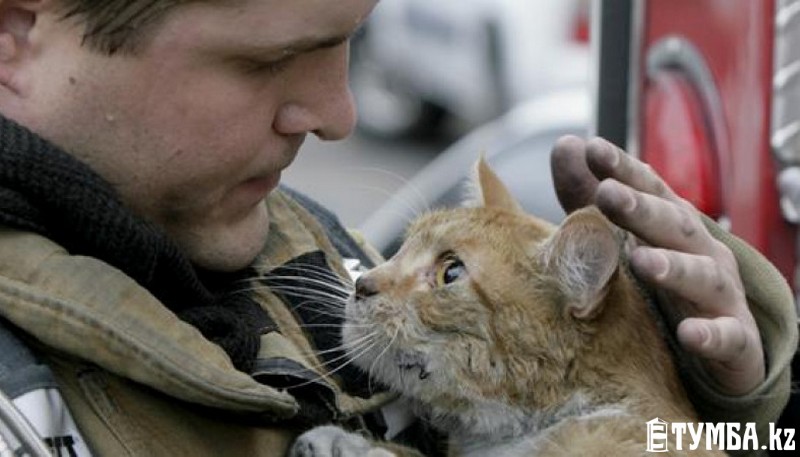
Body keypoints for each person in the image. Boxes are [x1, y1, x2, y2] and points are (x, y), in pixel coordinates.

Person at [0, 0, 794, 456]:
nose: (341, 115)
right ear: (14, 35)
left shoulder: (284, 228)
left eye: (349, 40)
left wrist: (712, 407)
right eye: (263, 61)